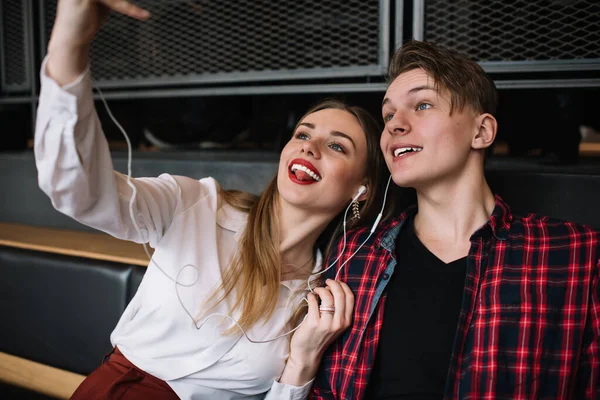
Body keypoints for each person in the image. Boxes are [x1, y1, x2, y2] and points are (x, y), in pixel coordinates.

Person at [34, 1, 391, 399]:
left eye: (337, 147)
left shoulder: (322, 297)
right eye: (303, 135)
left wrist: (303, 361)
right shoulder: (196, 203)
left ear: (362, 189)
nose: (310, 148)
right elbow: (79, 191)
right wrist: (69, 42)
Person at [311, 40, 600, 399]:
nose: (395, 126)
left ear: (481, 132)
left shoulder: (575, 254)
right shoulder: (356, 253)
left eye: (422, 105)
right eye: (388, 115)